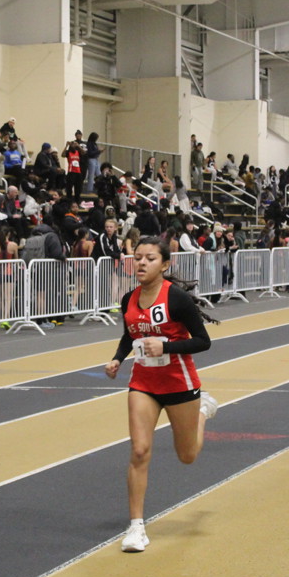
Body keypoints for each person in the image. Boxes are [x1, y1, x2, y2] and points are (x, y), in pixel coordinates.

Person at [105, 237, 219, 553]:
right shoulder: (129, 299)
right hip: (144, 383)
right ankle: (136, 527)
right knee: (140, 451)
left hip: (179, 383)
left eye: (150, 258)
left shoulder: (177, 299)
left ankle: (202, 411)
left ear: (165, 264)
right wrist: (117, 358)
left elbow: (203, 341)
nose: (142, 263)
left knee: (187, 455)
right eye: (138, 257)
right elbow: (130, 335)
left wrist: (166, 346)